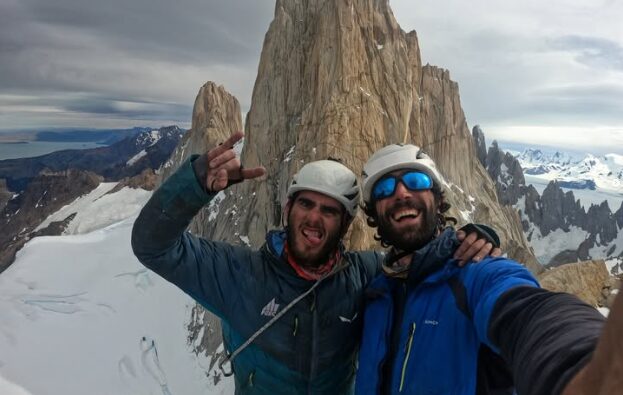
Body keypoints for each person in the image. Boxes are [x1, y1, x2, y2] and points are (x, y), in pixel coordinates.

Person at [131, 132, 500, 394]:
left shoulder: (365, 275)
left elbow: (416, 261)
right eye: (306, 204)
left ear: (345, 225)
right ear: (288, 208)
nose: (314, 218)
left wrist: (468, 239)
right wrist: (196, 184)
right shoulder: (239, 274)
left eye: (329, 211)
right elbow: (152, 246)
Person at [354, 144, 617, 395]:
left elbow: (527, 310)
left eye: (416, 181)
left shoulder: (475, 274)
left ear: (437, 197)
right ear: (374, 212)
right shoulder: (376, 293)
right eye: (384, 188)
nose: (401, 193)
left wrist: (585, 367)